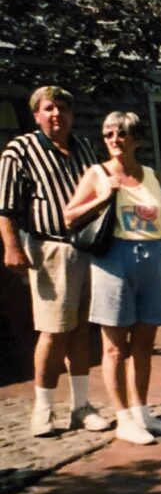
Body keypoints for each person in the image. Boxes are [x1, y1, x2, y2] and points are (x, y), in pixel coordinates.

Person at [64, 112, 161, 445]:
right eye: (108, 134)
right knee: (115, 347)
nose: (115, 140)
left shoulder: (151, 175)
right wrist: (103, 196)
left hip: (152, 256)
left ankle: (141, 411)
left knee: (144, 344)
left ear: (137, 139)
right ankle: (123, 418)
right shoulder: (97, 173)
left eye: (122, 133)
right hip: (114, 258)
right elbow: (69, 215)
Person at [0, 86, 110, 437]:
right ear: (36, 115)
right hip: (50, 249)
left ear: (72, 114)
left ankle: (81, 406)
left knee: (81, 331)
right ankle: (43, 409)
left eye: (62, 107)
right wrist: (11, 247)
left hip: (87, 248)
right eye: (48, 108)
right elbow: (6, 208)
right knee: (53, 331)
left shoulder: (84, 147)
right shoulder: (20, 150)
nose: (56, 114)